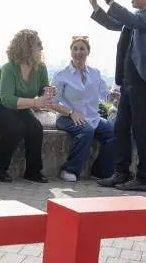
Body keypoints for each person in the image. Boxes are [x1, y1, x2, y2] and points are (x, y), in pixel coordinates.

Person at [87, 0, 146, 192]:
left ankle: (142, 178)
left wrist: (111, 1)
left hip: (145, 81)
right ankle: (121, 172)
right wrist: (96, 6)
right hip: (130, 81)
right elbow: (114, 23)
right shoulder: (137, 17)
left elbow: (131, 20)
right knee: (121, 127)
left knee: (140, 129)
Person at [0, 29, 53, 183]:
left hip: (19, 106)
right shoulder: (8, 68)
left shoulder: (40, 68)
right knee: (15, 128)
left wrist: (49, 92)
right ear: (26, 47)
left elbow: (42, 90)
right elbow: (7, 100)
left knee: (36, 128)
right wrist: (34, 102)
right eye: (38, 44)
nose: (41, 47)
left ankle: (33, 171)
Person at [50, 36, 116, 182]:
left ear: (88, 52)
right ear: (71, 51)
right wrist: (71, 112)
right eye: (75, 48)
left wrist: (113, 96)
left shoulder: (95, 73)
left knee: (112, 131)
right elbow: (52, 102)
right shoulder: (61, 75)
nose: (78, 52)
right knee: (86, 130)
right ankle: (69, 169)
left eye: (82, 49)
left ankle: (101, 171)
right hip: (66, 117)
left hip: (93, 117)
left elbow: (105, 96)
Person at [106, 86, 146, 181]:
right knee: (126, 129)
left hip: (140, 115)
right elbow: (110, 99)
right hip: (117, 113)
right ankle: (125, 171)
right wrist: (119, 97)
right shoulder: (123, 78)